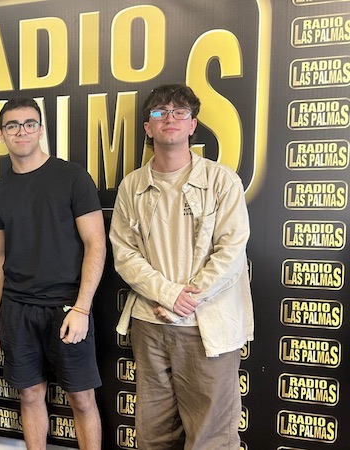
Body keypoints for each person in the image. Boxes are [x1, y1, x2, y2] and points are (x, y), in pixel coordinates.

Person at [110, 83, 254, 449]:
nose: (169, 118)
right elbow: (124, 253)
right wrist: (169, 295)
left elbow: (231, 249)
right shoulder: (132, 186)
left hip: (207, 327)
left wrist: (186, 300)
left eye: (180, 112)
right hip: (151, 323)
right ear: (148, 127)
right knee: (154, 434)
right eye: (160, 112)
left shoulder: (222, 181)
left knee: (212, 436)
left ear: (192, 125)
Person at [0, 98, 106, 450]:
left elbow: (96, 244)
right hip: (17, 309)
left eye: (29, 124)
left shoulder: (72, 177)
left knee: (82, 399)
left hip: (67, 306)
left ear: (40, 130)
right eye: (12, 125)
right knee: (30, 394)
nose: (21, 131)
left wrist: (81, 308)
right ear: (1, 134)